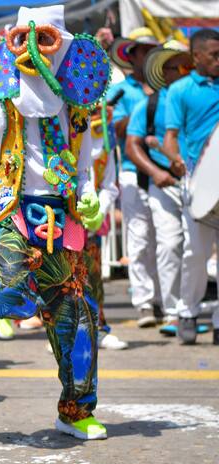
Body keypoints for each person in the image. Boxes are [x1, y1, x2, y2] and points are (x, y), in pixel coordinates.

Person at [0, 5, 111, 440]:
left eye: (45, 43)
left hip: (62, 218)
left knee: (76, 319)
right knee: (9, 286)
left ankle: (74, 411)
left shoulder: (77, 107)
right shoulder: (5, 108)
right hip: (15, 210)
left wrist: (90, 199)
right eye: (23, 43)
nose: (33, 53)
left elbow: (85, 166)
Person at [126, 40, 193, 337]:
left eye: (187, 64)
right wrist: (156, 172)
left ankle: (192, 307)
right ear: (163, 72)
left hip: (200, 181)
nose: (183, 71)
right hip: (163, 182)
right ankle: (173, 311)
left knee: (195, 247)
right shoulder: (149, 105)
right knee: (169, 243)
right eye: (177, 66)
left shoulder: (202, 96)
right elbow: (132, 145)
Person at [163, 28, 219, 344]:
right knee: (196, 253)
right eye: (214, 55)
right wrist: (175, 159)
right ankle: (187, 311)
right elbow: (171, 137)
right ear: (196, 56)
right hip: (197, 181)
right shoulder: (180, 90)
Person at [108, 28, 163, 328]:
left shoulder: (168, 87)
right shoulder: (123, 91)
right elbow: (116, 130)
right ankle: (144, 302)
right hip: (131, 171)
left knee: (168, 241)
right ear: (133, 56)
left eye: (153, 49)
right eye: (143, 50)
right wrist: (147, 106)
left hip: (167, 171)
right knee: (140, 240)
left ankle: (166, 301)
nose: (148, 55)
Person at [86, 103, 125, 350]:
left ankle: (98, 328)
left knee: (93, 275)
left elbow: (110, 185)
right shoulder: (61, 139)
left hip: (92, 222)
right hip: (63, 218)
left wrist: (99, 211)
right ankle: (62, 332)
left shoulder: (104, 146)